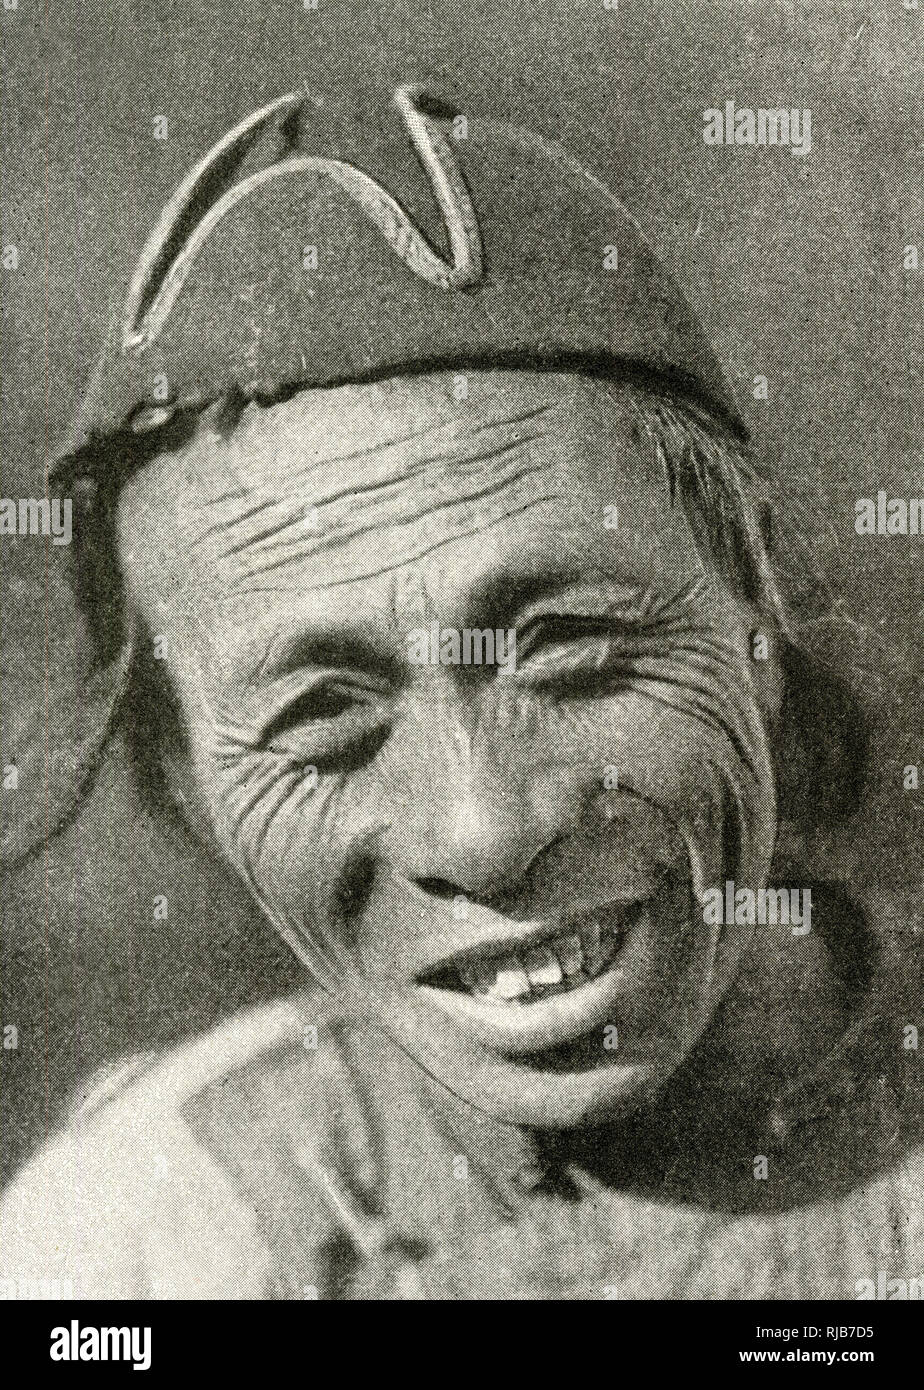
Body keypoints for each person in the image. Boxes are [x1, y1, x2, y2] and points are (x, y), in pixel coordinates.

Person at [1, 82, 920, 1300]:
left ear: (752, 591)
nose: (483, 832)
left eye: (570, 646)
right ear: (188, 779)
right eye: (324, 720)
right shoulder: (140, 1245)